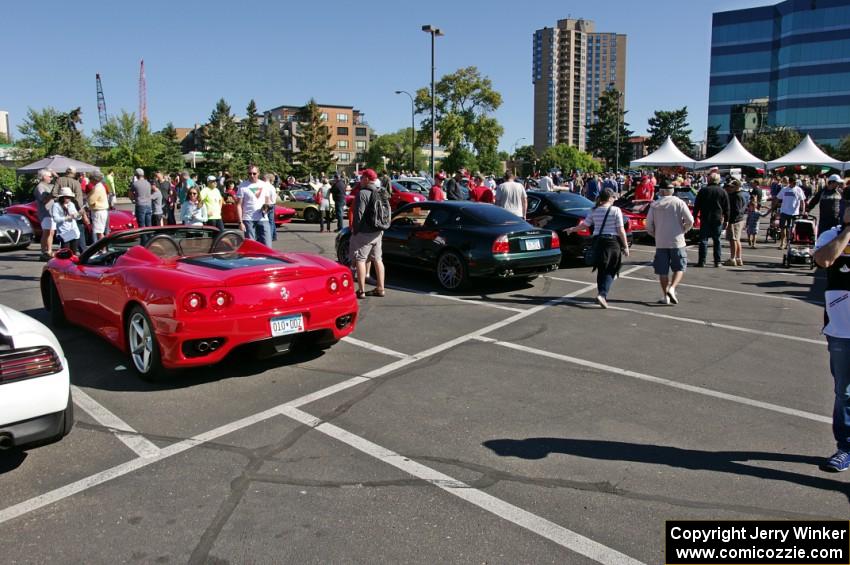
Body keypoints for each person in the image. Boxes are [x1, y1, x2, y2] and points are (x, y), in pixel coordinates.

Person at [813, 206, 850, 471]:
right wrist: (848, 231)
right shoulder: (832, 234)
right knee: (844, 392)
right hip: (841, 329)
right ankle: (845, 448)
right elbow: (824, 261)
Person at [565, 188, 629, 308]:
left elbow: (585, 225)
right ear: (609, 198)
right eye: (614, 197)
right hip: (612, 242)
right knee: (611, 269)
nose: (615, 199)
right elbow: (621, 230)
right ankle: (602, 294)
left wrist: (572, 229)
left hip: (598, 241)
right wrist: (625, 246)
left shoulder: (594, 210)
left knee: (601, 268)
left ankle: (601, 293)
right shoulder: (616, 210)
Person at [646, 179, 694, 305]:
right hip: (677, 240)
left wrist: (655, 234)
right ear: (672, 190)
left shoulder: (654, 205)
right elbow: (690, 220)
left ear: (661, 191)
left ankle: (665, 296)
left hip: (661, 242)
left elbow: (648, 226)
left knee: (663, 271)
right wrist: (684, 230)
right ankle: (672, 288)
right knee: (679, 267)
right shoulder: (679, 203)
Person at [350, 169, 387, 298]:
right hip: (378, 231)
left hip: (365, 232)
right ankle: (381, 288)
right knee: (378, 259)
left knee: (360, 259)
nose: (360, 181)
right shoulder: (380, 191)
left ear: (366, 179)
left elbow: (358, 215)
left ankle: (361, 291)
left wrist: (355, 230)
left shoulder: (363, 193)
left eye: (361, 178)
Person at [693, 172, 730, 267]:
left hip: (705, 218)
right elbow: (726, 207)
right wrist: (726, 219)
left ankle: (702, 261)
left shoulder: (703, 190)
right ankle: (717, 261)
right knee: (717, 240)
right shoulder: (722, 191)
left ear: (709, 180)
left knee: (703, 240)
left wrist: (694, 217)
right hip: (717, 218)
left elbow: (697, 205)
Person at [236, 165, 275, 245]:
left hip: (263, 218)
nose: (252, 175)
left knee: (267, 245)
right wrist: (240, 222)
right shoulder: (242, 186)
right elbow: (239, 205)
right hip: (248, 219)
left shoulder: (264, 185)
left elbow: (267, 200)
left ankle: (267, 258)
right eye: (250, 173)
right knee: (252, 246)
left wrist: (266, 207)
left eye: (254, 173)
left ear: (258, 173)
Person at [53, 166, 89, 250]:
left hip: (61, 208)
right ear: (74, 173)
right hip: (74, 208)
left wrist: (59, 201)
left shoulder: (59, 180)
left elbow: (54, 194)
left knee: (65, 238)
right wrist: (83, 214)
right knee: (79, 231)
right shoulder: (76, 183)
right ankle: (83, 251)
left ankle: (66, 254)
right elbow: (79, 200)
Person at [775, 174, 806, 249]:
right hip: (784, 211)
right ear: (790, 182)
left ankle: (788, 243)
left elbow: (802, 201)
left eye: (795, 182)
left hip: (793, 213)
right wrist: (775, 208)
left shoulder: (799, 190)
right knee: (782, 228)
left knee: (790, 228)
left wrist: (803, 211)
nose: (795, 183)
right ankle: (782, 242)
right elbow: (778, 198)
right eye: (793, 182)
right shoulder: (784, 189)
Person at [723, 179, 748, 266]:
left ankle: (733, 258)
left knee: (733, 239)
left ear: (737, 187)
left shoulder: (736, 196)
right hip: (739, 220)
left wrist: (730, 221)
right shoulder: (741, 194)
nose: (730, 188)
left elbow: (736, 210)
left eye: (732, 186)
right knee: (737, 240)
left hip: (735, 221)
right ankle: (738, 258)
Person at [51, 187, 81, 254]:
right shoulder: (56, 205)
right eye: (67, 197)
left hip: (74, 231)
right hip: (64, 232)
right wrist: (67, 218)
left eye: (70, 197)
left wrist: (78, 215)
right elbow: (56, 219)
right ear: (62, 197)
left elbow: (77, 217)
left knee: (73, 253)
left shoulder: (71, 204)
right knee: (65, 253)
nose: (69, 199)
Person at [34, 169, 56, 260]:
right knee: (47, 232)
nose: (51, 178)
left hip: (52, 212)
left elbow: (58, 183)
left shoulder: (49, 185)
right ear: (44, 177)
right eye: (49, 176)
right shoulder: (40, 187)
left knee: (51, 232)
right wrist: (52, 195)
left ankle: (49, 250)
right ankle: (44, 251)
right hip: (45, 212)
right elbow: (44, 200)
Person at [87, 171, 110, 241]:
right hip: (101, 211)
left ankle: (103, 249)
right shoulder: (101, 186)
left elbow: (91, 201)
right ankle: (103, 249)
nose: (90, 181)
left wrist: (88, 197)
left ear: (94, 179)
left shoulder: (97, 188)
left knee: (99, 233)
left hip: (98, 212)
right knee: (100, 232)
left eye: (91, 179)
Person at [264, 173, 279, 241]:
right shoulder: (272, 187)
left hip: (267, 204)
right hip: (272, 204)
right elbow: (274, 197)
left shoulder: (265, 186)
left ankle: (269, 237)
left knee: (269, 222)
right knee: (271, 221)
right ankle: (273, 236)